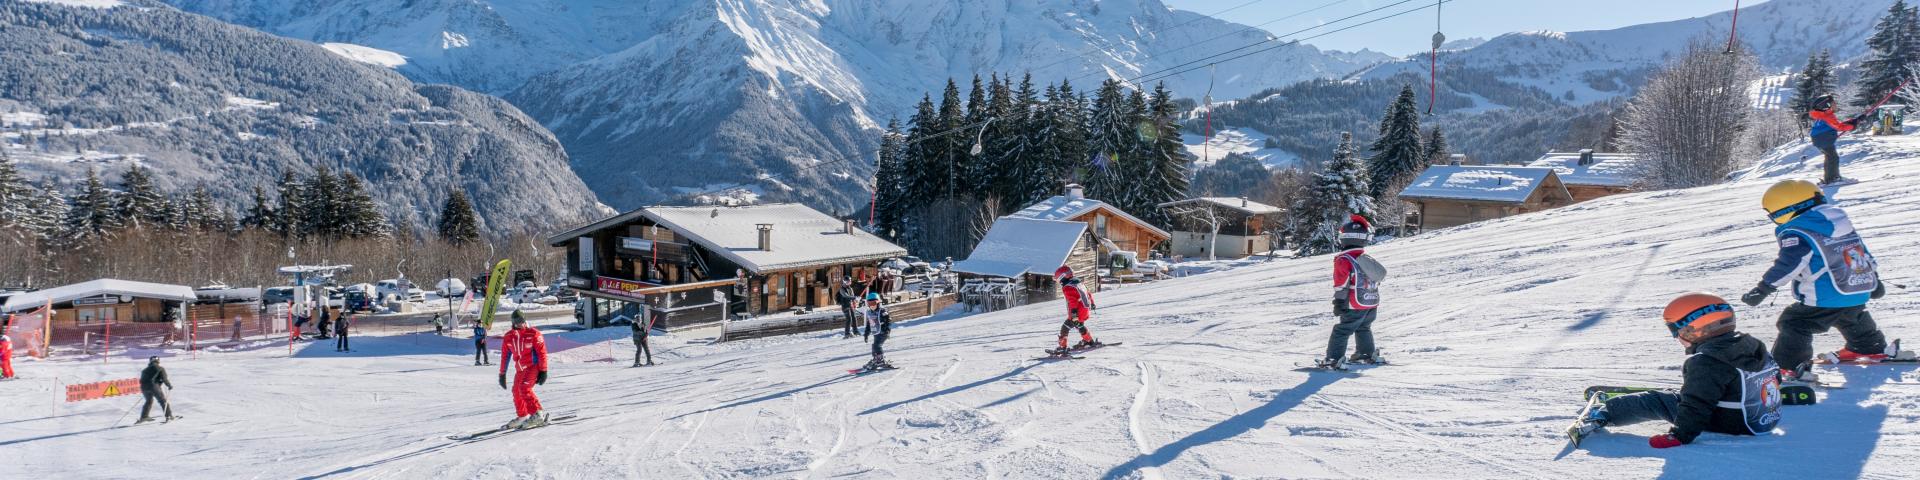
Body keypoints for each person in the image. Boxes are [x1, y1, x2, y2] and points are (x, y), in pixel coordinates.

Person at [1569, 293, 1782, 448]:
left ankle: (1603, 413)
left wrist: (1680, 435)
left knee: (1656, 401)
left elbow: (1697, 405)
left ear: (1698, 329)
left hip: (1731, 423)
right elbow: (1774, 375)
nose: (1678, 337)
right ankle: (1688, 393)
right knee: (1698, 389)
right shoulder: (1751, 343)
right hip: (1762, 417)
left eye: (1680, 331)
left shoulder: (1705, 361)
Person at [1743, 179, 1902, 381]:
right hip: (1856, 288)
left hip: (1826, 293)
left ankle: (1788, 367)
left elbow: (1790, 263)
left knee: (1794, 322)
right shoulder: (1841, 223)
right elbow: (1859, 252)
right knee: (1851, 314)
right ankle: (1868, 347)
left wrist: (1764, 288)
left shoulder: (1799, 231)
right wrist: (1873, 279)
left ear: (1783, 210)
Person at [1317, 215, 1383, 369]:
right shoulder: (1365, 258)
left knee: (1342, 330)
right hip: (1371, 302)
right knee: (1363, 327)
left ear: (1345, 238)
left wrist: (1339, 302)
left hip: (1355, 303)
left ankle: (1333, 359)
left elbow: (1341, 283)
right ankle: (1365, 354)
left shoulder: (1344, 259)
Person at [498, 311, 549, 429]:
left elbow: (542, 353)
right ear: (513, 322)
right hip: (520, 369)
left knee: (524, 388)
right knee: (516, 390)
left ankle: (537, 413)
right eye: (517, 322)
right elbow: (505, 356)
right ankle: (523, 416)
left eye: (522, 321)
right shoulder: (509, 336)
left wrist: (543, 371)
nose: (520, 324)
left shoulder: (533, 334)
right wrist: (502, 374)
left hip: (533, 367)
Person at [1806, 93, 1864, 185]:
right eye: (1833, 103)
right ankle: (1833, 178)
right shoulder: (1828, 116)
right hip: (1823, 139)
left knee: (1829, 157)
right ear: (1826, 106)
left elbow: (1836, 124)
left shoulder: (1822, 115)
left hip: (1819, 139)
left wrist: (1854, 121)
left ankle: (1829, 177)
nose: (1835, 105)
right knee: (1833, 157)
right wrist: (1852, 126)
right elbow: (1839, 127)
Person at [1052, 265, 1099, 354]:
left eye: (1058, 279)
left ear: (1062, 277)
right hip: (1085, 309)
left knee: (1065, 328)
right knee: (1079, 325)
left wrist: (1074, 314)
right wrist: (1092, 303)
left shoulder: (1067, 287)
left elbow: (1072, 301)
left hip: (1078, 311)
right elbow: (1088, 293)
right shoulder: (1078, 282)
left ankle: (1063, 347)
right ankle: (1089, 341)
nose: (1058, 281)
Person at [138, 356, 177, 423]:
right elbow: (164, 378)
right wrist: (169, 385)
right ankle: (169, 415)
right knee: (162, 401)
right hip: (153, 386)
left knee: (149, 401)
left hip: (143, 387)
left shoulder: (144, 370)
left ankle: (144, 416)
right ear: (158, 361)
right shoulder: (160, 368)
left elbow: (142, 380)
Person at [861, 293, 894, 371]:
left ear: (878, 302)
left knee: (877, 345)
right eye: (869, 303)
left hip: (883, 332)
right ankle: (876, 359)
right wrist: (866, 334)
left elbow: (888, 321)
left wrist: (887, 330)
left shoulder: (882, 311)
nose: (872, 305)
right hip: (876, 332)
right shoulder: (870, 312)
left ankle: (880, 360)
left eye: (874, 303)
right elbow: (869, 324)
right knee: (874, 346)